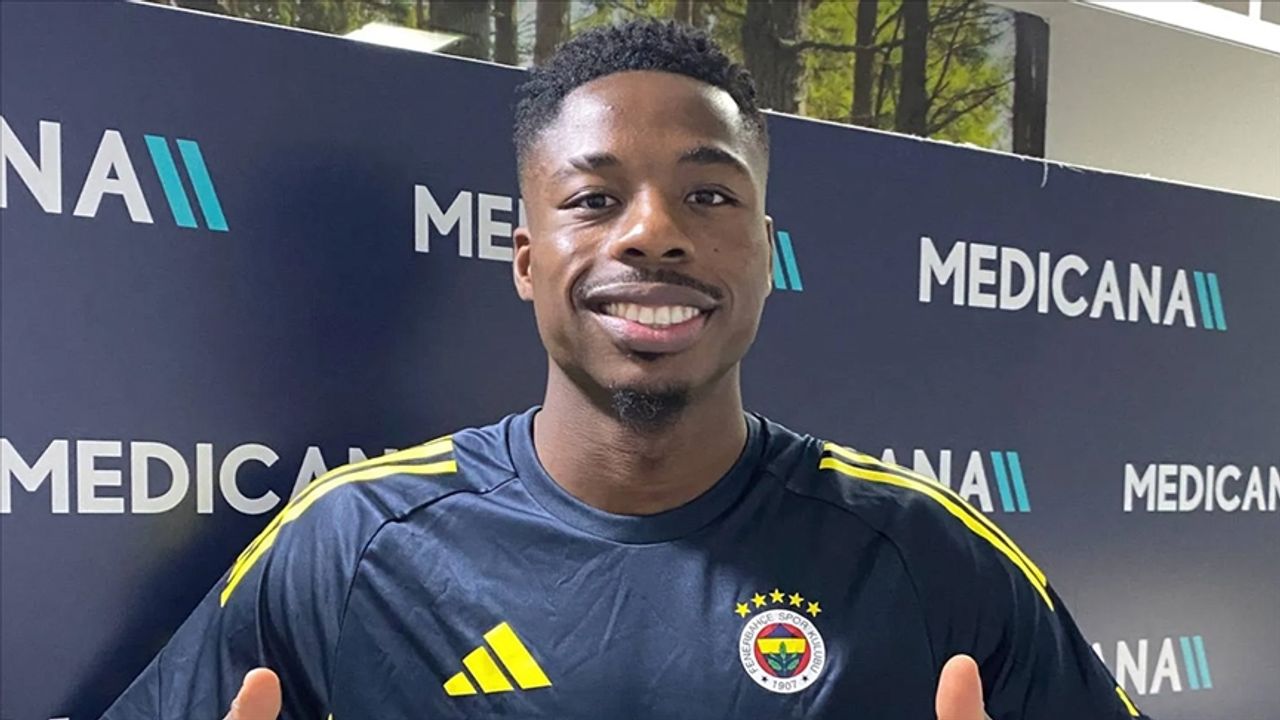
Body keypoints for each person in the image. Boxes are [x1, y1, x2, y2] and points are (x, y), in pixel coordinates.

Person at [101, 20, 1148, 720]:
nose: (652, 233)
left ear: (764, 255)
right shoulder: (349, 545)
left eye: (708, 196)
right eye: (594, 199)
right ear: (526, 260)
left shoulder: (927, 558)